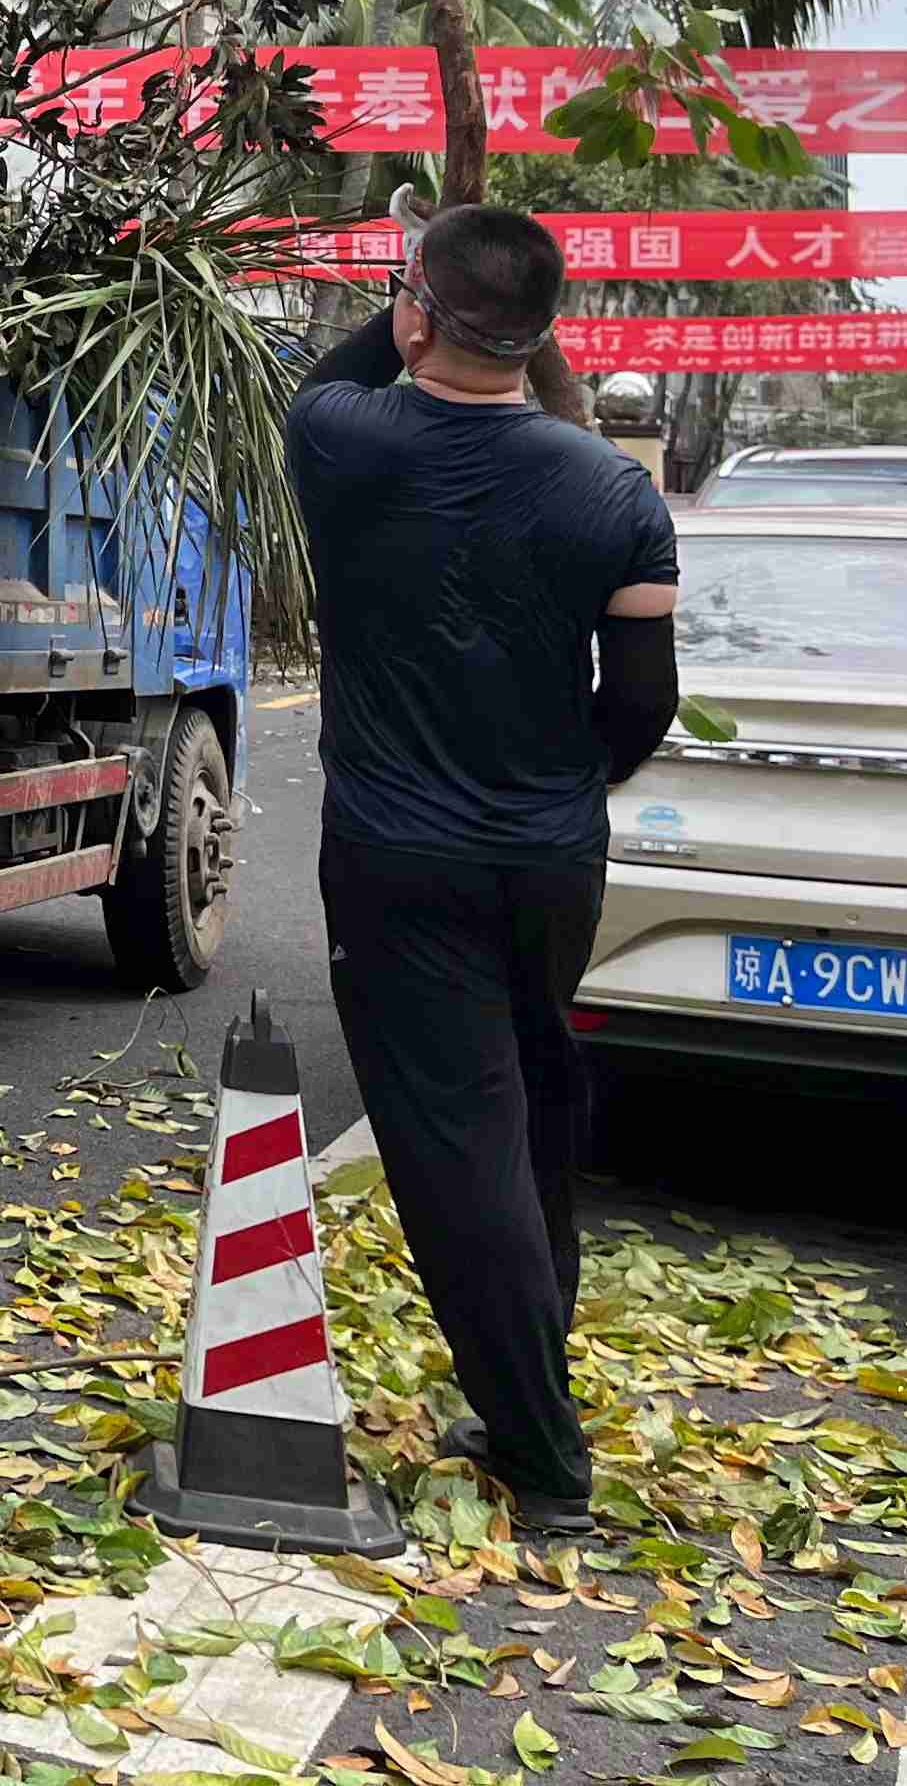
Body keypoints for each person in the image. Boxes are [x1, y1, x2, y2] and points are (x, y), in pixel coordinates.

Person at [286, 202, 679, 1541]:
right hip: (551, 858)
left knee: (459, 1153)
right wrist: (558, 795)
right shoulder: (616, 491)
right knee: (526, 1114)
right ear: (544, 333)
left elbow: (333, 376)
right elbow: (641, 704)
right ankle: (528, 1396)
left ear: (416, 313)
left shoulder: (344, 439)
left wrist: (401, 292)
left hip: (400, 861)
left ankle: (544, 1459)